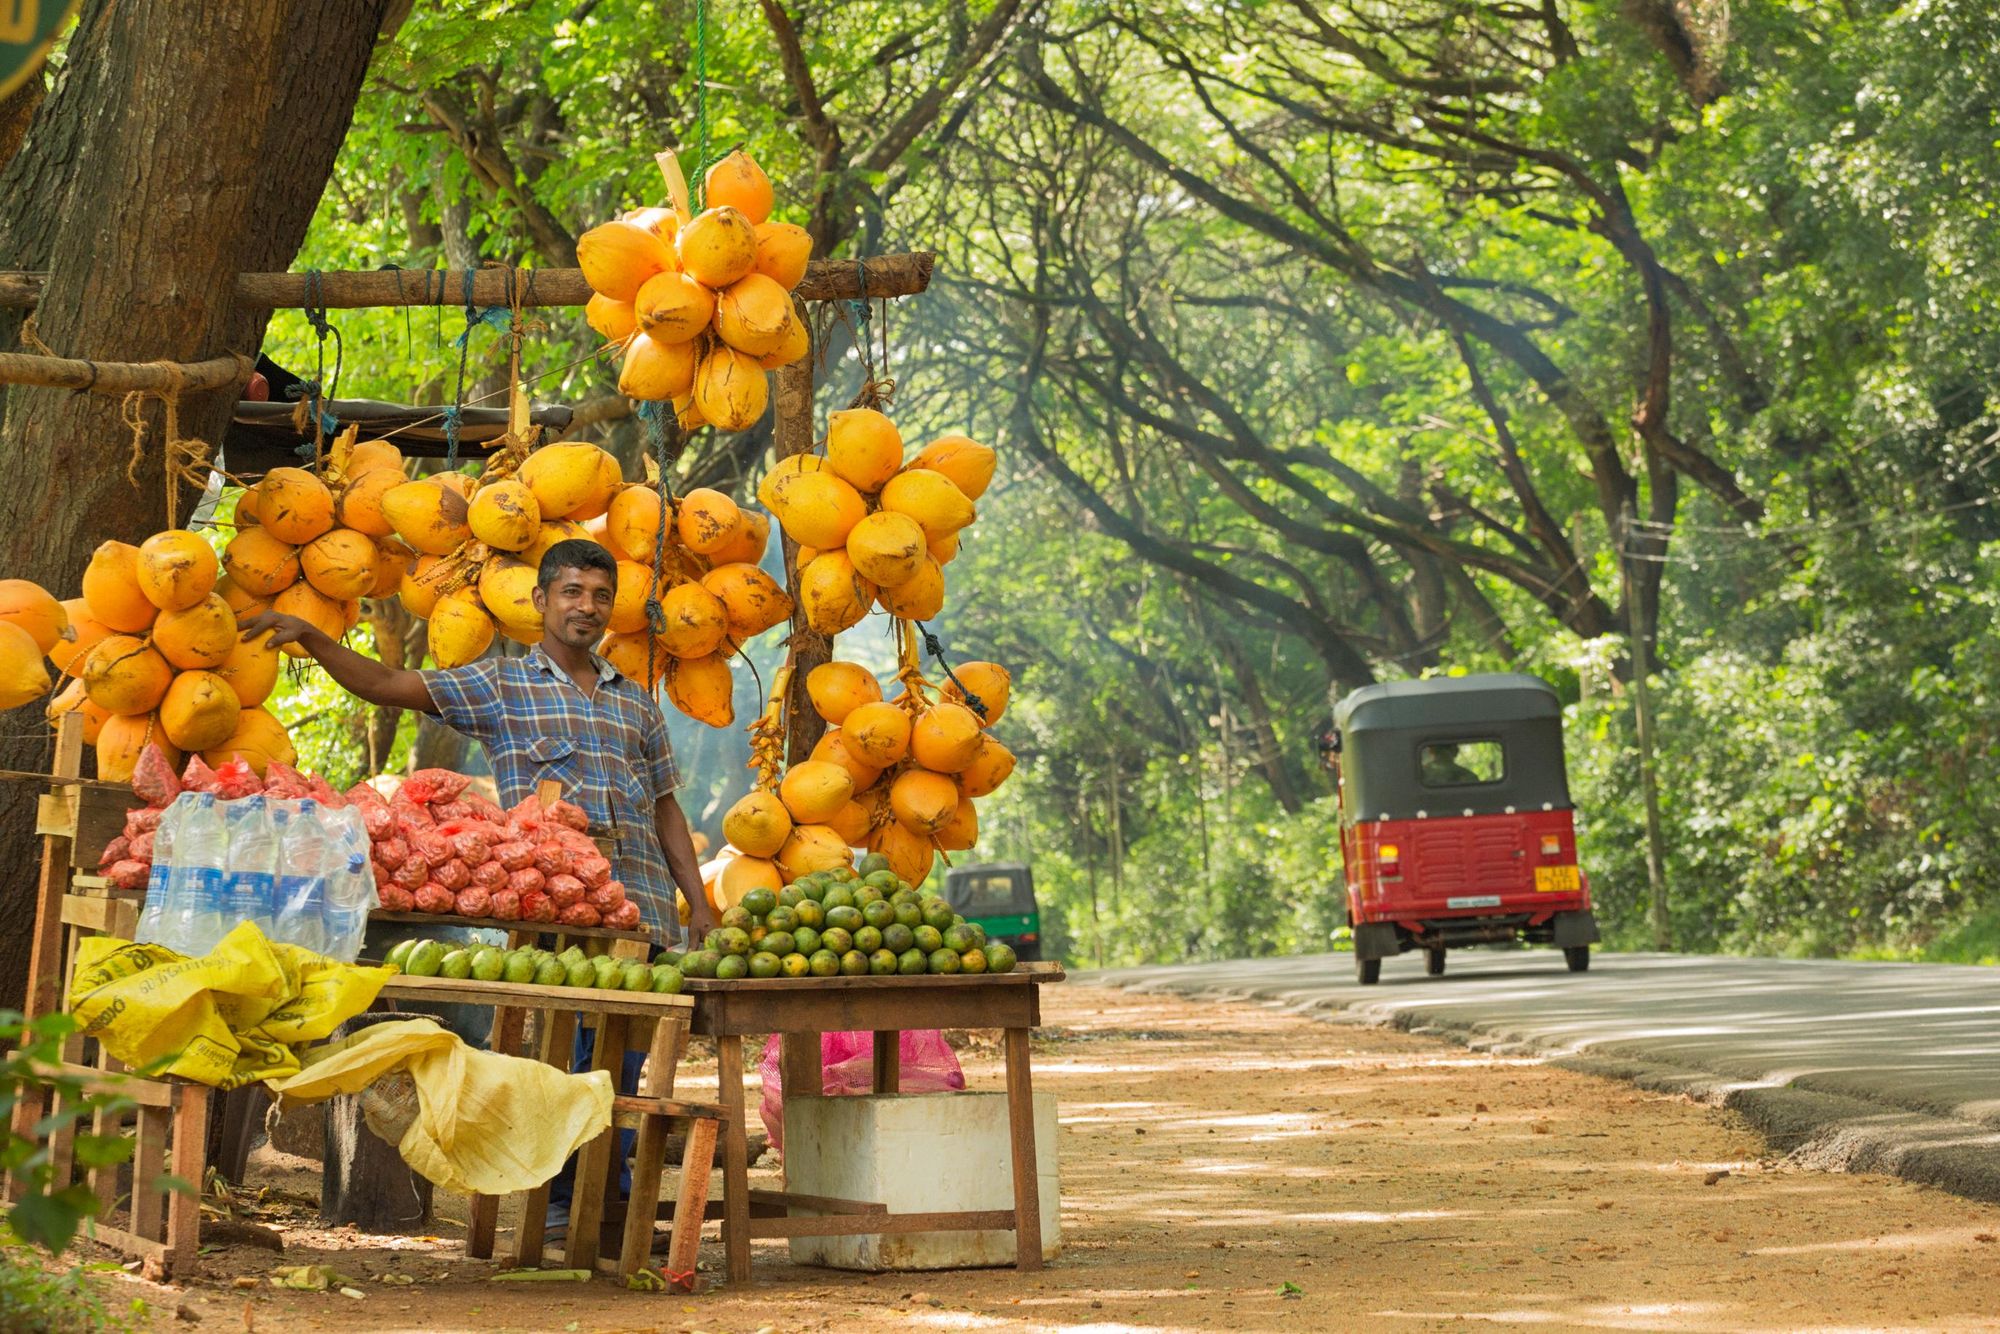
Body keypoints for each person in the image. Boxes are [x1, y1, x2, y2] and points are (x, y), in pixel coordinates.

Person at [242, 537, 718, 1248]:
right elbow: (388, 684)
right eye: (571, 593)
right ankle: (565, 1208)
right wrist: (314, 639)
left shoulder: (637, 706)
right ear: (541, 601)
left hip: (639, 908)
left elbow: (666, 809)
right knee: (568, 1058)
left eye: (598, 596)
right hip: (557, 906)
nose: (585, 607)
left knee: (622, 1063)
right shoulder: (501, 684)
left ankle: (610, 1207)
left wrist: (699, 905)